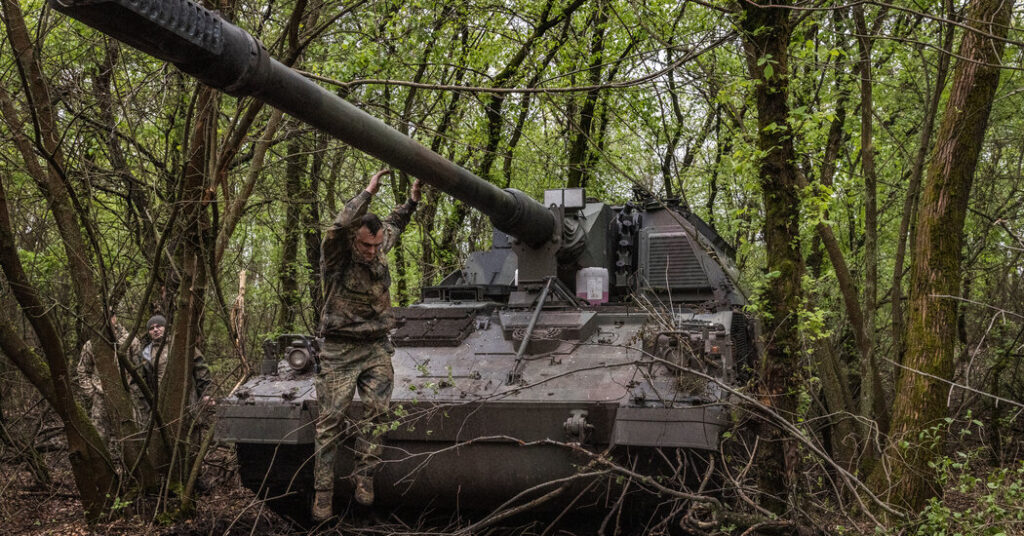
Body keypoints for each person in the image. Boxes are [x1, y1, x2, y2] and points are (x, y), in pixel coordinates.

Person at [312, 169, 421, 521]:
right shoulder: (337, 255)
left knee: (377, 413)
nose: (372, 251)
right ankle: (324, 494)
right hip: (339, 349)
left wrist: (412, 201)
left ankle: (364, 476)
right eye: (365, 245)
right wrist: (367, 193)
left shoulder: (379, 244)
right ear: (354, 241)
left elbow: (395, 224)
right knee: (331, 422)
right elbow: (338, 228)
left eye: (375, 245)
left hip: (375, 346)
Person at [75, 313, 140, 443]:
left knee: (132, 439)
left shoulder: (131, 341)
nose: (108, 320)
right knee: (99, 438)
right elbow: (82, 370)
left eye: (111, 316)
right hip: (100, 397)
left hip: (126, 396)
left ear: (115, 318)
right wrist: (92, 393)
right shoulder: (91, 344)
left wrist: (133, 391)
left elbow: (139, 370)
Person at [135, 314, 213, 414]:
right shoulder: (146, 353)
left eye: (159, 326)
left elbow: (201, 368)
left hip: (186, 396)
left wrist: (206, 393)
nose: (155, 330)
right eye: (151, 328)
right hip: (161, 401)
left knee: (190, 424)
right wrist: (148, 406)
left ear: (166, 327)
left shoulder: (180, 343)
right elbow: (144, 382)